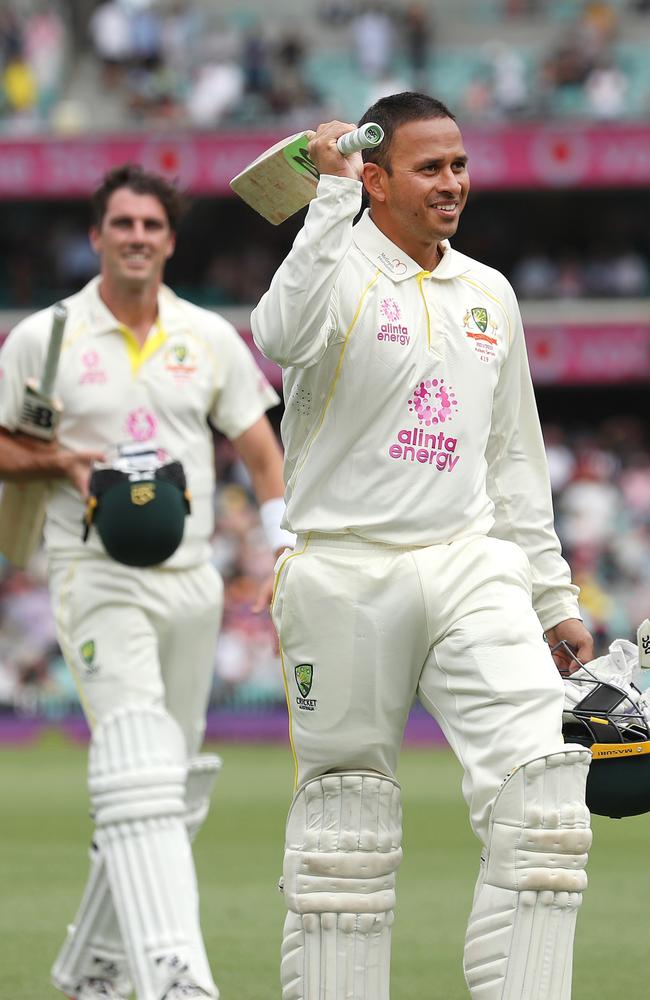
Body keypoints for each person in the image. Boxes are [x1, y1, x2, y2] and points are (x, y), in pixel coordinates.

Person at [251, 92, 595, 1000]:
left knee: (547, 800)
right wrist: (325, 199)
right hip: (345, 566)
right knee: (345, 837)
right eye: (430, 168)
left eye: (460, 165)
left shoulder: (490, 293)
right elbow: (280, 335)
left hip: (469, 560)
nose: (453, 183)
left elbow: (514, 456)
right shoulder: (335, 263)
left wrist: (552, 597)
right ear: (375, 178)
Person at [0, 164, 292, 1000]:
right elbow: (3, 446)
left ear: (170, 241)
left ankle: (94, 966)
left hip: (190, 575)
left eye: (151, 227)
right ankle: (177, 974)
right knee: (138, 759)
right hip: (93, 571)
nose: (136, 238)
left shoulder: (205, 335)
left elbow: (259, 446)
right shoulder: (45, 339)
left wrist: (281, 548)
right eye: (121, 224)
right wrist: (61, 459)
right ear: (96, 236)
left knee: (170, 778)